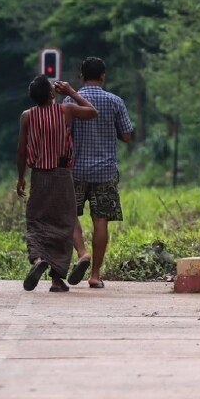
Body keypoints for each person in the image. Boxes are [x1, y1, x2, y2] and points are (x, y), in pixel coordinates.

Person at [16, 75, 97, 292]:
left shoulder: (27, 116)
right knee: (65, 222)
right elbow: (92, 112)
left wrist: (21, 177)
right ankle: (62, 272)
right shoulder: (65, 110)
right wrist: (71, 92)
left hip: (39, 176)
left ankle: (39, 260)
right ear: (53, 94)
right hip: (62, 175)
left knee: (36, 222)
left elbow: (22, 151)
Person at [67, 57, 134, 288]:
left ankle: (82, 252)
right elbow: (126, 136)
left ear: (82, 77)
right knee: (101, 221)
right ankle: (94, 276)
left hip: (75, 170)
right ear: (103, 76)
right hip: (105, 171)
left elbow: (65, 132)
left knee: (69, 214)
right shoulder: (115, 102)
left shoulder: (69, 100)